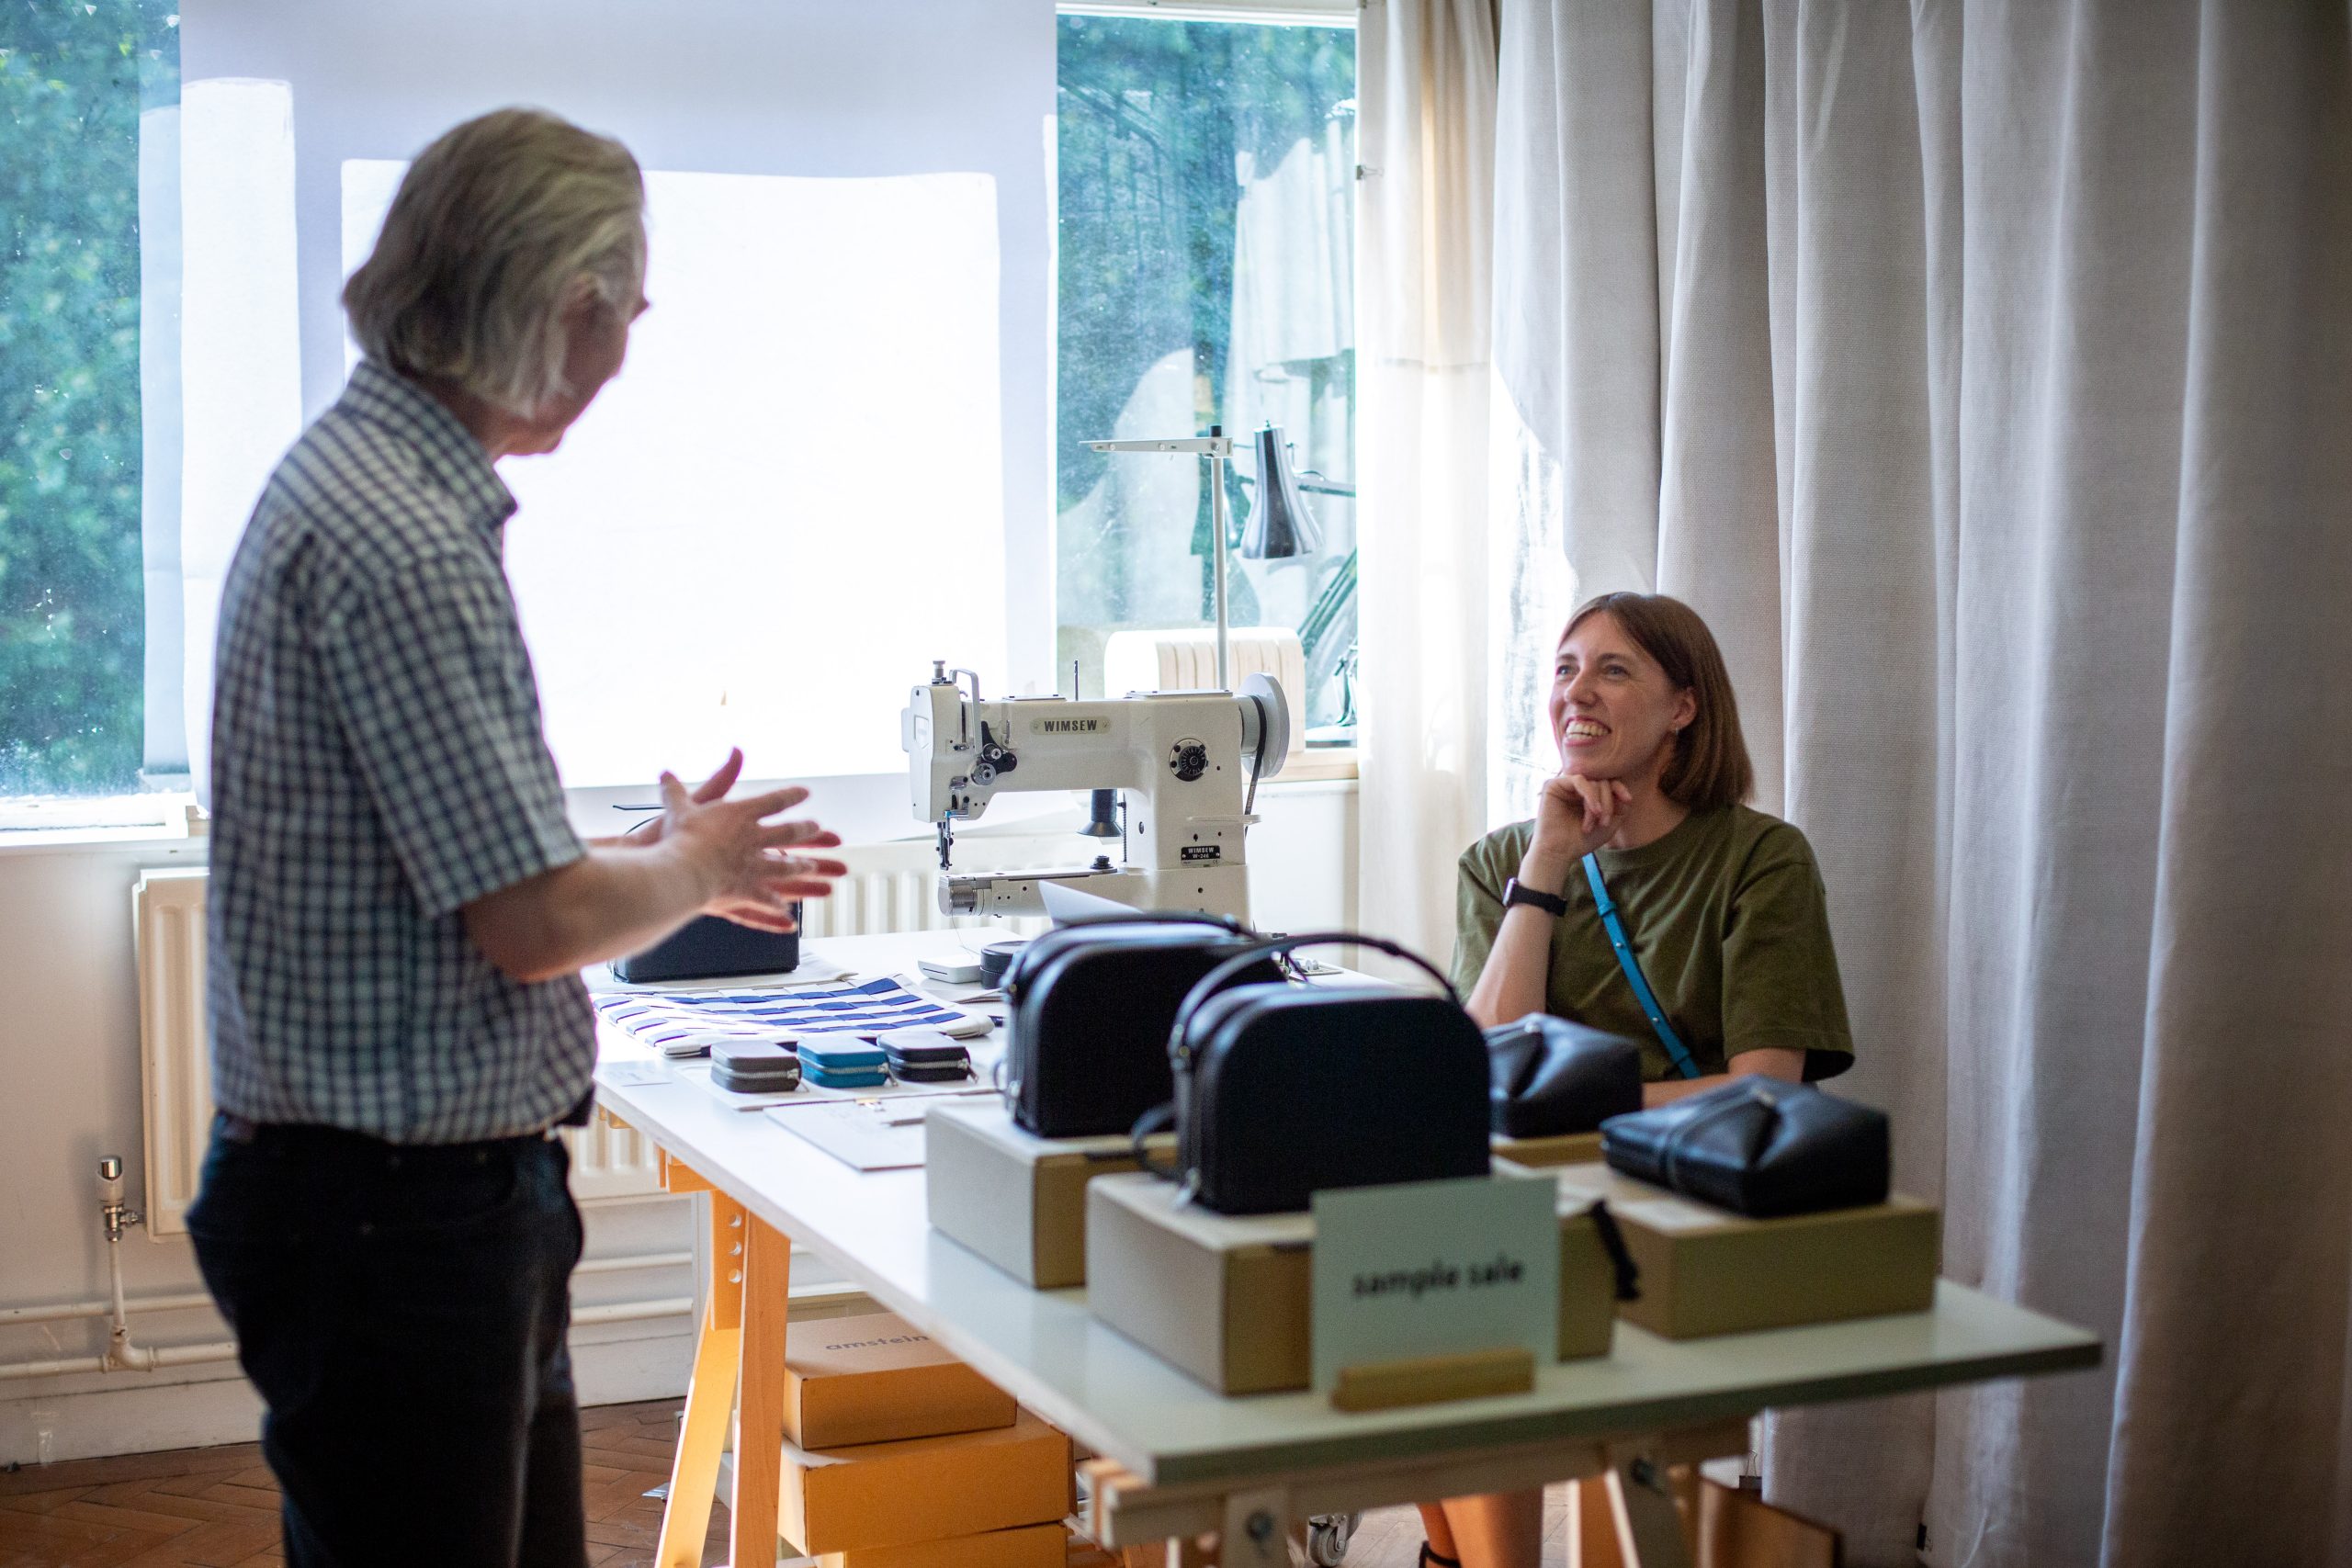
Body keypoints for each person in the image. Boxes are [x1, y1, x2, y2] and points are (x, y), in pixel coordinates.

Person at [187, 108, 846, 1568]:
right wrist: (702, 865)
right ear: (563, 306)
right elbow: (532, 920)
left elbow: (431, 846)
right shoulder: (405, 539)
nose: (628, 350)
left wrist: (654, 851)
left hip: (391, 1205)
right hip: (395, 1224)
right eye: (630, 311)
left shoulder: (368, 484)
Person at [1419, 591, 1855, 1568]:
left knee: (1486, 1301)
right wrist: (1546, 866)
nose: (1577, 691)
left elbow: (1765, 1091)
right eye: (1565, 669)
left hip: (1684, 1196)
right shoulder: (1503, 860)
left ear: (1683, 708)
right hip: (1538, 1198)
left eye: (1613, 670)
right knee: (1408, 1292)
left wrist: (1560, 1114)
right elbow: (1485, 1064)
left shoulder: (1760, 860)